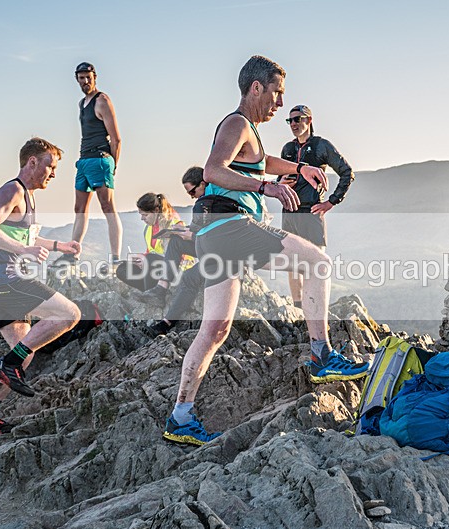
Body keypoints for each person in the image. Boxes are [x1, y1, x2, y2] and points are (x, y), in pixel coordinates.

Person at [162, 55, 369, 446]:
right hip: (231, 225)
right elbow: (212, 171)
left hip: (215, 236)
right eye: (277, 93)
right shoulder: (237, 123)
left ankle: (180, 417)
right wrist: (266, 188)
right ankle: (322, 355)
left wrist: (297, 169)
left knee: (215, 330)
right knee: (318, 263)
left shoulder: (249, 131)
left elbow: (260, 162)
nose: (280, 102)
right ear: (256, 87)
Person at [0, 137, 82, 439]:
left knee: (24, 353)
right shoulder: (13, 190)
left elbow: (26, 237)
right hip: (6, 278)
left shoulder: (27, 196)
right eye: (50, 166)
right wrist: (22, 251)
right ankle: (8, 364)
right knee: (69, 314)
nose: (53, 173)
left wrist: (60, 246)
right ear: (32, 161)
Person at [279, 104, 355, 308]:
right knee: (292, 264)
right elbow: (280, 177)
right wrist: (280, 183)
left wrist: (331, 201)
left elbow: (347, 173)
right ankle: (298, 310)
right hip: (289, 210)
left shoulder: (321, 145)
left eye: (298, 119)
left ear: (309, 120)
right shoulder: (287, 149)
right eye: (290, 120)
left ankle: (315, 309)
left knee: (317, 264)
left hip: (311, 211)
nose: (293, 124)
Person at [55, 62, 123, 265]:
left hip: (100, 158)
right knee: (79, 208)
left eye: (88, 77)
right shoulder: (81, 104)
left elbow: (116, 139)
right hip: (84, 160)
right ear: (77, 79)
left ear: (95, 78)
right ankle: (73, 253)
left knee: (107, 207)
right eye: (81, 78)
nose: (85, 81)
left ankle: (115, 258)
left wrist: (112, 165)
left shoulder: (102, 100)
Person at [146, 167, 208, 335]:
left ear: (203, 184)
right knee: (175, 241)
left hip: (217, 253)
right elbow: (202, 229)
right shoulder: (203, 203)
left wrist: (192, 236)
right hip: (204, 246)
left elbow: (218, 238)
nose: (191, 196)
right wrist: (185, 232)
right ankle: (161, 288)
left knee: (189, 277)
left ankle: (167, 323)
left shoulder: (215, 203)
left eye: (192, 191)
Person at [115, 193, 192, 291]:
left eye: (145, 215)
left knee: (150, 259)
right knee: (122, 269)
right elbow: (151, 251)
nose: (142, 218)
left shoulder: (174, 225)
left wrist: (146, 259)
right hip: (155, 267)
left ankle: (151, 293)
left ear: (156, 211)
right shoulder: (148, 229)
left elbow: (177, 256)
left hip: (177, 269)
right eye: (141, 215)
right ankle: (147, 291)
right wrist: (139, 260)